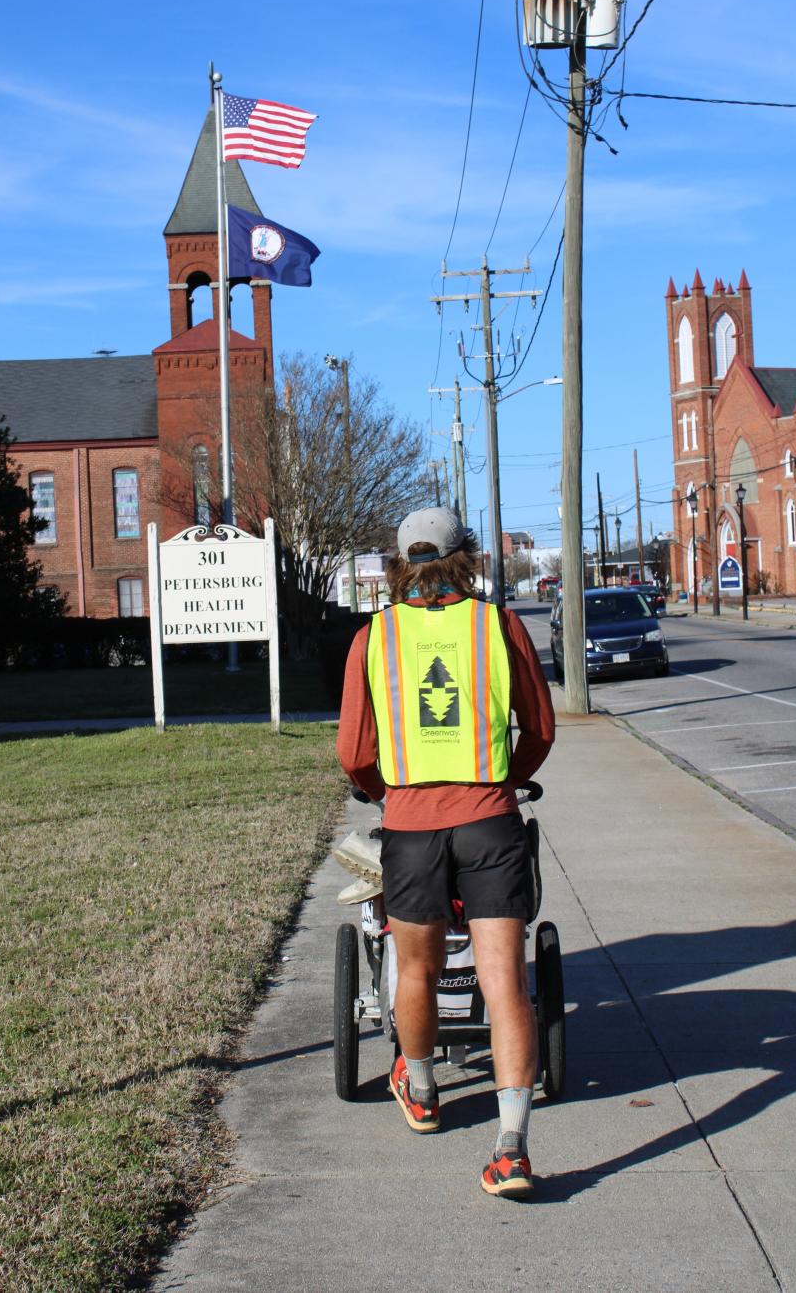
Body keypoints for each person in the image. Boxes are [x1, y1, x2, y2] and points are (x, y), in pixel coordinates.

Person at [336, 507, 555, 1199]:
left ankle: (423, 1086)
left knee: (418, 971)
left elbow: (354, 753)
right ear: (468, 558)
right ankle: (511, 1147)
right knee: (503, 981)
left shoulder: (375, 636)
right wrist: (506, 781)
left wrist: (385, 794)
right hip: (490, 820)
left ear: (402, 565)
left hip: (411, 825)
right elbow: (541, 728)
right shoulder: (498, 625)